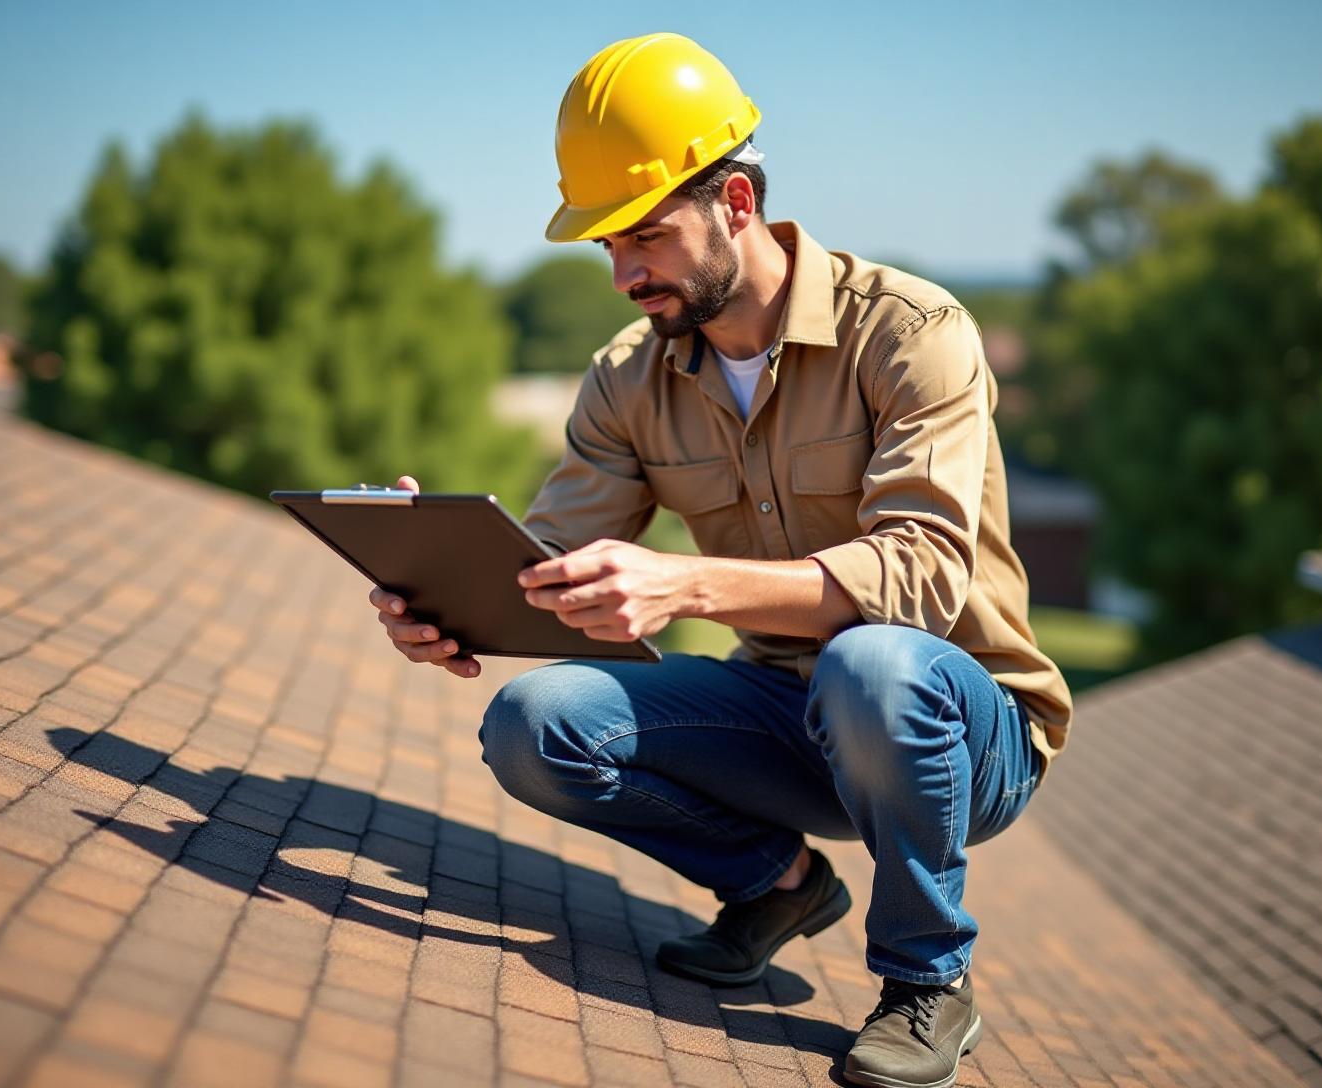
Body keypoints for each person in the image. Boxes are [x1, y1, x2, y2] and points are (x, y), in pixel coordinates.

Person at [369, 32, 1073, 1088]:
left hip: (959, 729)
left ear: (736, 203)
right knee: (533, 724)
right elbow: (555, 554)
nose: (622, 273)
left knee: (872, 663)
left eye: (644, 235)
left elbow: (925, 578)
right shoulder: (627, 378)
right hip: (783, 718)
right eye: (605, 246)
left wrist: (687, 583)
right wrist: (443, 586)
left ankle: (929, 981)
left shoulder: (913, 333)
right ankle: (775, 882)